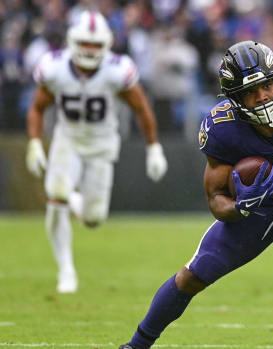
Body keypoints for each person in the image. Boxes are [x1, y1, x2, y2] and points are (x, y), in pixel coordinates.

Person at [118, 41, 273, 349]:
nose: (261, 97)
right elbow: (215, 199)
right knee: (194, 274)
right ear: (236, 99)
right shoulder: (223, 128)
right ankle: (137, 344)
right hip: (258, 211)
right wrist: (241, 206)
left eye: (266, 86)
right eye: (250, 92)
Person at [25, 11, 168, 294]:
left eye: (94, 44)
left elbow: (141, 109)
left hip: (102, 146)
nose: (89, 50)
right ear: (72, 41)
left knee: (93, 218)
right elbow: (38, 107)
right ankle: (66, 271)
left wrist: (154, 147)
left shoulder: (117, 70)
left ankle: (73, 200)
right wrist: (34, 142)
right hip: (68, 140)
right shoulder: (54, 67)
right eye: (84, 44)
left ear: (105, 44)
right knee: (56, 195)